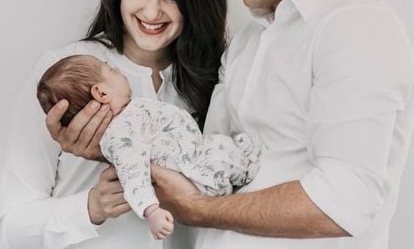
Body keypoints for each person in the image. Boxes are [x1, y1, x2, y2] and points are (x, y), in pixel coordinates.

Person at [146, 0, 414, 249]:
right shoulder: (247, 43)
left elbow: (343, 202)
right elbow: (205, 166)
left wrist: (200, 210)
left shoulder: (356, 28)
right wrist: (111, 144)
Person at [0, 0, 228, 249]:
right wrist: (91, 206)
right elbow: (14, 226)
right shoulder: (63, 75)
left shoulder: (215, 79)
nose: (152, 12)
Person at [35, 54, 260, 240]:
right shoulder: (120, 136)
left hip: (195, 152)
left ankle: (247, 161)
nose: (120, 71)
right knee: (224, 158)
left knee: (224, 149)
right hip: (194, 169)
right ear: (101, 93)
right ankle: (248, 165)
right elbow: (133, 174)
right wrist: (151, 210)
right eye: (112, 70)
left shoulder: (129, 111)